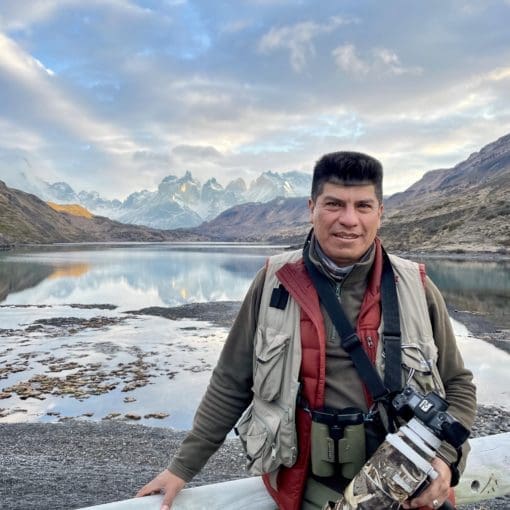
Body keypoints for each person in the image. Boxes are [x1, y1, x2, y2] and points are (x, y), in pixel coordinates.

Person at [136, 151, 476, 510]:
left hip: (404, 494)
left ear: (380, 212)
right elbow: (231, 383)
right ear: (311, 207)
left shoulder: (416, 286)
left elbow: (457, 384)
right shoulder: (274, 281)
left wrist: (446, 458)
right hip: (303, 492)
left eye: (363, 206)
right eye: (334, 204)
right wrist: (181, 468)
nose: (349, 220)